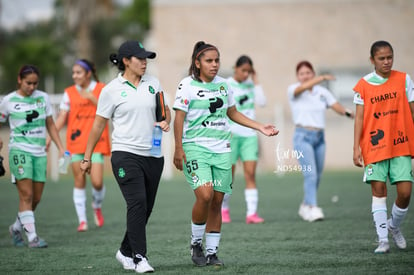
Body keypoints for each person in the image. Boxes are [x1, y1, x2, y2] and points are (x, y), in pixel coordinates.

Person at [173, 41, 278, 267]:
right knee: (205, 195)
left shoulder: (224, 85)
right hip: (195, 147)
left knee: (217, 201)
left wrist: (259, 126)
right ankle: (195, 243)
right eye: (209, 61)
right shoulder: (186, 85)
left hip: (222, 149)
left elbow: (232, 112)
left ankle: (211, 252)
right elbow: (179, 118)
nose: (214, 65)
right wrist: (178, 147)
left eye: (217, 60)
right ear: (197, 63)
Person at [80, 40, 171, 273]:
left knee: (146, 208)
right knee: (137, 202)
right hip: (124, 154)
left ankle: (125, 250)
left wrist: (165, 120)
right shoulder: (110, 90)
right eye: (140, 58)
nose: (144, 62)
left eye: (146, 58)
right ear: (126, 61)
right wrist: (87, 157)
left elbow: (164, 110)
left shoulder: (154, 83)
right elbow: (99, 125)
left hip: (153, 155)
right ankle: (140, 258)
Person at [353, 40, 414, 254]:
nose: (387, 62)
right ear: (372, 60)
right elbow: (359, 118)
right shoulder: (363, 85)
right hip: (374, 145)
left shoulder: (404, 79)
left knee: (405, 192)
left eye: (390, 57)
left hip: (401, 144)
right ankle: (383, 241)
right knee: (379, 191)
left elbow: (412, 110)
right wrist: (355, 148)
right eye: (382, 58)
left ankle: (393, 226)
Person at [0, 65, 65, 248]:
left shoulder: (42, 98)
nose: (32, 87)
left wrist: (60, 147)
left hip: (39, 153)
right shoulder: (9, 100)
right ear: (19, 80)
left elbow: (50, 124)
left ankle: (16, 227)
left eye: (35, 83)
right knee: (26, 195)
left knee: (35, 199)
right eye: (28, 83)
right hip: (19, 150)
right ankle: (33, 238)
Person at [287, 60, 354, 222]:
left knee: (317, 175)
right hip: (302, 137)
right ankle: (312, 208)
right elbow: (301, 88)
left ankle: (305, 205)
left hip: (319, 138)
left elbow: (335, 105)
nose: (305, 76)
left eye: (308, 72)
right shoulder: (294, 90)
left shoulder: (322, 92)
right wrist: (322, 77)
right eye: (302, 73)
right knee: (310, 174)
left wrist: (346, 112)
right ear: (297, 76)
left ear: (313, 73)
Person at [53, 59, 110, 232]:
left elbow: (108, 110)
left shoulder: (101, 89)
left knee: (98, 182)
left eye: (78, 72)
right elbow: (62, 117)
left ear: (88, 74)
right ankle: (82, 220)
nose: (75, 76)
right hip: (76, 143)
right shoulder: (69, 92)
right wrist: (50, 137)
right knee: (79, 180)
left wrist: (92, 98)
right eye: (73, 73)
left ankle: (96, 205)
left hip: (96, 143)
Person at [221, 55, 267, 224]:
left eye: (249, 71)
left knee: (250, 175)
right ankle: (224, 210)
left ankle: (252, 213)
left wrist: (256, 80)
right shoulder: (226, 84)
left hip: (249, 136)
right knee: (228, 177)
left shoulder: (251, 84)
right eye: (243, 70)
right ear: (235, 68)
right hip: (231, 135)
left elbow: (262, 102)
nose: (246, 74)